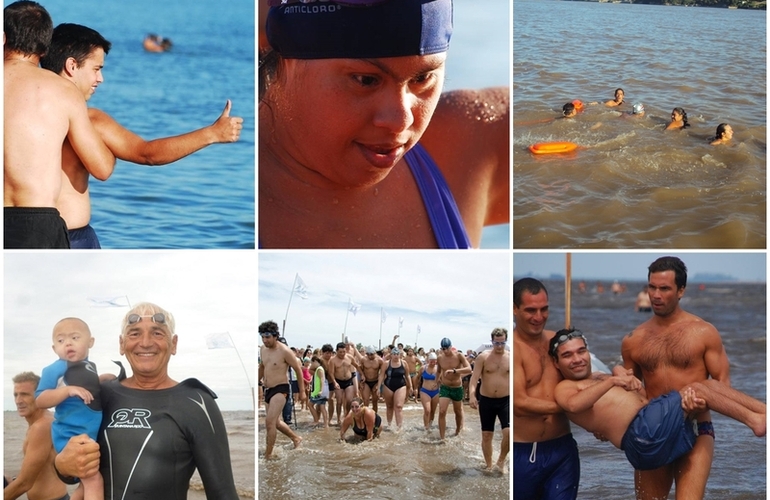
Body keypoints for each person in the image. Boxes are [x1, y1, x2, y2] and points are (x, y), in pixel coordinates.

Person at [258, 0, 509, 249]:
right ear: (284, 57)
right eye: (365, 80)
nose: (401, 121)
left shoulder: (465, 145)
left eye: (422, 78)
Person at [40, 23, 243, 248]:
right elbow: (147, 154)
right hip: (73, 239)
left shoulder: (18, 113)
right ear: (72, 66)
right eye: (96, 69)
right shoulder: (91, 120)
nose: (100, 79)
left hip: (21, 236)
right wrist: (212, 134)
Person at [53, 302, 239, 499]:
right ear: (122, 344)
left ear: (173, 344)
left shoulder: (197, 402)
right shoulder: (101, 395)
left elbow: (223, 493)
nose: (146, 342)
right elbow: (73, 464)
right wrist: (61, 465)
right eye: (134, 333)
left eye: (158, 333)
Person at [551, 329, 765, 472]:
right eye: (568, 355)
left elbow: (639, 400)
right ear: (556, 362)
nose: (577, 359)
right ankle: (756, 421)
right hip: (641, 435)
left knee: (705, 386)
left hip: (651, 430)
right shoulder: (565, 387)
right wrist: (613, 381)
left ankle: (763, 411)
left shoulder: (600, 377)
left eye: (581, 351)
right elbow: (573, 405)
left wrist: (625, 378)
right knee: (697, 388)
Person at [3, 1, 114, 249]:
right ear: (44, 46)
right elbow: (102, 167)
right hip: (37, 223)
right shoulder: (63, 90)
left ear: (3, 38)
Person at [621, 256, 731, 499]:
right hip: (653, 430)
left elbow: (723, 384)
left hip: (696, 425)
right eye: (652, 287)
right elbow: (627, 390)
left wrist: (703, 401)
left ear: (681, 290)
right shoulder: (633, 340)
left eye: (664, 288)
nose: (656, 295)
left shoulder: (704, 332)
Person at [513, 277, 579, 500]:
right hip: (523, 453)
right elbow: (519, 404)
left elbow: (584, 379)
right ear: (514, 309)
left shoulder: (557, 341)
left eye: (544, 309)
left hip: (562, 451)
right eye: (531, 310)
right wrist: (570, 406)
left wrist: (615, 377)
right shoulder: (514, 350)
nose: (539, 317)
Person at [35, 318, 103, 500]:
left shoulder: (89, 366)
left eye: (74, 337)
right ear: (54, 348)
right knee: (94, 480)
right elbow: (40, 399)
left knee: (84, 484)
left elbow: (89, 386)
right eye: (60, 341)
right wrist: (66, 390)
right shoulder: (55, 368)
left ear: (90, 342)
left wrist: (103, 379)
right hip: (71, 435)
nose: (68, 344)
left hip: (86, 432)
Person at [4, 372, 70, 500]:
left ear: (40, 395)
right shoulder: (43, 421)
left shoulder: (41, 427)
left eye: (25, 394)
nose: (18, 401)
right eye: (16, 395)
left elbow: (25, 483)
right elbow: (39, 471)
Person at [258, 321, 304, 459]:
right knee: (276, 422)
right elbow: (262, 366)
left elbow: (298, 370)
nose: (265, 340)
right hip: (268, 389)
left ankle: (268, 455)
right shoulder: (262, 349)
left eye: (268, 337)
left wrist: (302, 392)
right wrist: (257, 380)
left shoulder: (285, 351)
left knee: (269, 422)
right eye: (262, 337)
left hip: (281, 388)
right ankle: (296, 438)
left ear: (275, 336)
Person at [469, 327, 510, 471]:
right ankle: (489, 465)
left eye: (502, 343)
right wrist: (472, 395)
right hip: (487, 400)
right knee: (487, 435)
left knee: (509, 433)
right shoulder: (483, 357)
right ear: (492, 341)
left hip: (506, 400)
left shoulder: (510, 357)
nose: (499, 346)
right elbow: (474, 379)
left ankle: (500, 461)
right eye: (496, 343)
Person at [436, 338, 471, 439]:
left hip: (457, 387)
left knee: (458, 411)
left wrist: (455, 371)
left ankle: (458, 431)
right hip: (445, 387)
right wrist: (436, 381)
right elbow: (438, 371)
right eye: (443, 349)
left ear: (451, 347)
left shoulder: (458, 356)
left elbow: (469, 369)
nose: (445, 351)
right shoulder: (440, 358)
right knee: (442, 411)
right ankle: (442, 438)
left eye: (447, 348)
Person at [378, 347, 413, 430]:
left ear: (400, 355)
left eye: (397, 354)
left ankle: (399, 427)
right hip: (388, 386)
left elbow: (407, 375)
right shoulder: (386, 364)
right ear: (391, 355)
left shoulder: (404, 363)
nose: (396, 356)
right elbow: (381, 375)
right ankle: (389, 425)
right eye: (394, 354)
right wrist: (379, 387)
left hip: (401, 386)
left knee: (398, 406)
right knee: (389, 406)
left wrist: (411, 386)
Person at [328, 342, 359, 424]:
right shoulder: (332, 360)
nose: (342, 354)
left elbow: (357, 366)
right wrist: (334, 382)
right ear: (336, 351)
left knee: (349, 400)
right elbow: (331, 373)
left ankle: (346, 415)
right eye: (340, 352)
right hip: (338, 381)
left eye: (344, 352)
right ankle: (338, 418)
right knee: (339, 401)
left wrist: (362, 374)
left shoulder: (349, 357)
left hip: (348, 380)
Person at [415, 352, 440, 431]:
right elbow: (417, 378)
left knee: (432, 411)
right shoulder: (423, 368)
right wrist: (415, 388)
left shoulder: (439, 369)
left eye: (434, 361)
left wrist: (438, 383)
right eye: (431, 361)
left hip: (436, 392)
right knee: (427, 410)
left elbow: (442, 380)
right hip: (425, 391)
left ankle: (430, 425)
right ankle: (426, 428)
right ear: (428, 360)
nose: (432, 363)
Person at [359, 346, 386, 413]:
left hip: (375, 381)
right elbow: (359, 368)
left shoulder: (379, 360)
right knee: (366, 401)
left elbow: (383, 373)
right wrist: (362, 375)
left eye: (371, 354)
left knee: (374, 401)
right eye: (368, 354)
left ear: (375, 353)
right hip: (366, 381)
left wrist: (378, 384)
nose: (370, 356)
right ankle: (365, 417)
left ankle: (374, 417)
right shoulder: (363, 359)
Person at [308, 356, 330, 428]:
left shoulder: (319, 369)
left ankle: (316, 420)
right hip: (320, 391)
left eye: (312, 362)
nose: (311, 364)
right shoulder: (319, 369)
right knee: (322, 407)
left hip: (318, 392)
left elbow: (322, 380)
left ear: (315, 361)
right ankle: (325, 424)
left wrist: (320, 390)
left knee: (310, 405)